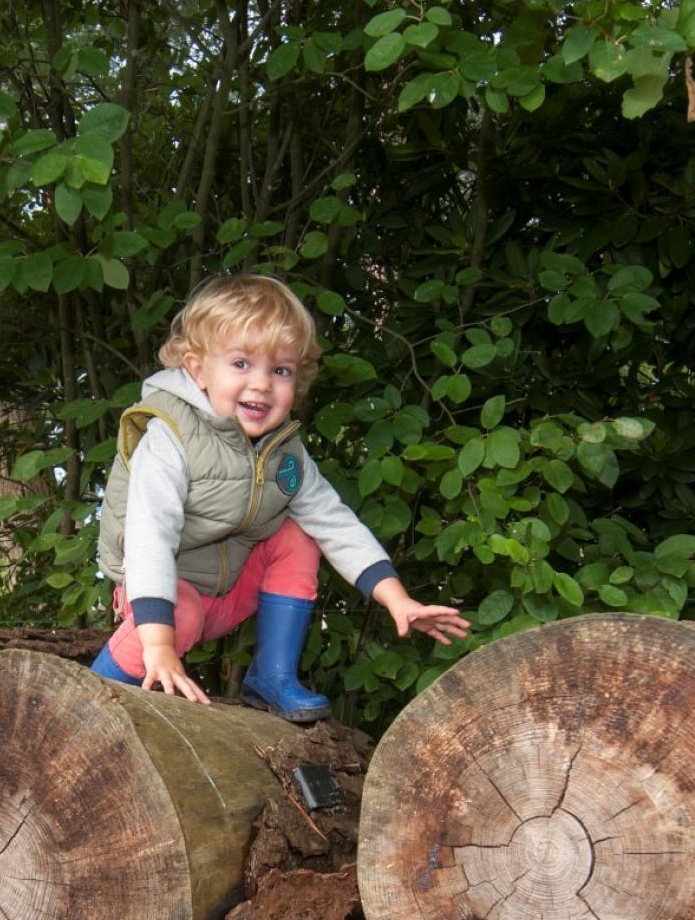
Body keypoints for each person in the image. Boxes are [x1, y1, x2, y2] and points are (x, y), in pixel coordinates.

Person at [90, 273, 469, 720]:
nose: (262, 383)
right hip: (162, 598)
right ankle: (91, 700)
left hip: (230, 593)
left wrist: (397, 599)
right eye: (241, 364)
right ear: (196, 369)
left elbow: (335, 521)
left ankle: (273, 675)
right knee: (181, 616)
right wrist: (159, 643)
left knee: (299, 532)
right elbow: (149, 537)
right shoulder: (169, 436)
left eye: (280, 370)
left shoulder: (282, 451)